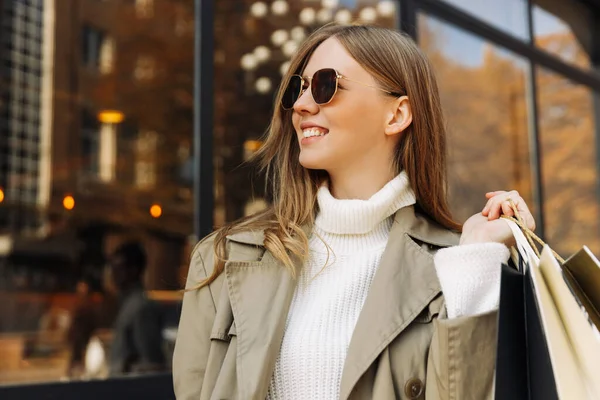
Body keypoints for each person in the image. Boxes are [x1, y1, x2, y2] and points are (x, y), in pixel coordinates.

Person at [173, 24, 536, 399]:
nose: (301, 105)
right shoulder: (223, 258)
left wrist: (475, 258)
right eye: (300, 87)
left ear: (396, 115)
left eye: (327, 85)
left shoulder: (456, 267)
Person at [107, 240, 165, 375]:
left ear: (134, 270)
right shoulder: (127, 305)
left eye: (119, 268)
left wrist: (124, 368)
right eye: (112, 268)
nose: (114, 274)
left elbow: (152, 365)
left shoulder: (141, 308)